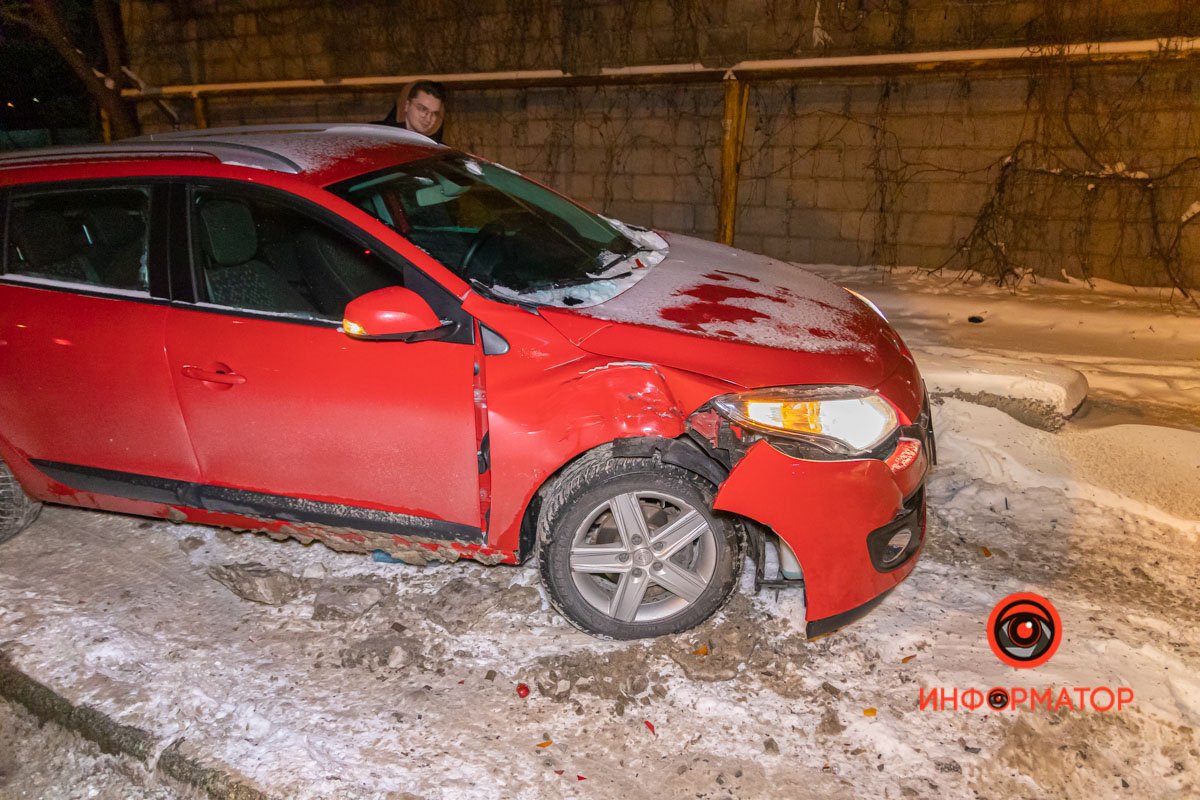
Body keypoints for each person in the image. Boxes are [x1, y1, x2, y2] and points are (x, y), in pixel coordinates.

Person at [374, 80, 446, 143]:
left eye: (434, 113)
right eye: (423, 109)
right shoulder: (375, 136)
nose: (428, 119)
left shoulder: (440, 150)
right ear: (407, 105)